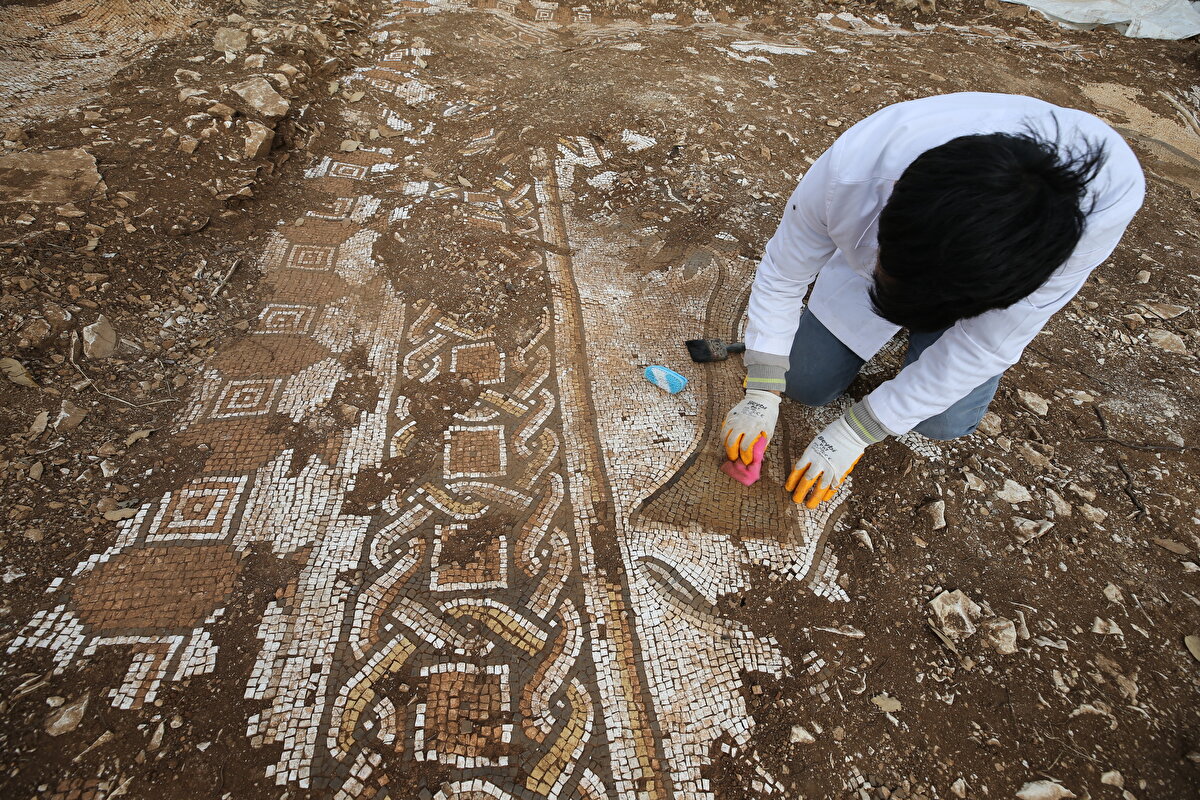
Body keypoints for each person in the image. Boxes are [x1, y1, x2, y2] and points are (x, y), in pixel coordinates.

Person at [721, 92, 1145, 508]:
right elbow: (784, 271)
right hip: (916, 246)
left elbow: (984, 345)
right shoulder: (859, 164)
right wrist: (762, 384)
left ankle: (929, 319)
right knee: (801, 380)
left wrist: (855, 432)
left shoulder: (1090, 222)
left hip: (980, 276)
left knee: (943, 421)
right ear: (892, 211)